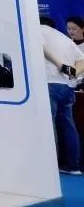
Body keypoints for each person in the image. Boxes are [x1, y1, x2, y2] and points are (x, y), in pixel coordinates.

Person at [39, 15, 84, 175]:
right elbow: (82, 60)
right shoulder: (64, 38)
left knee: (48, 124)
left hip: (48, 83)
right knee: (67, 125)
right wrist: (70, 71)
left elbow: (41, 48)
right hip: (67, 86)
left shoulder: (36, 32)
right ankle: (72, 166)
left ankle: (50, 165)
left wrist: (60, 65)